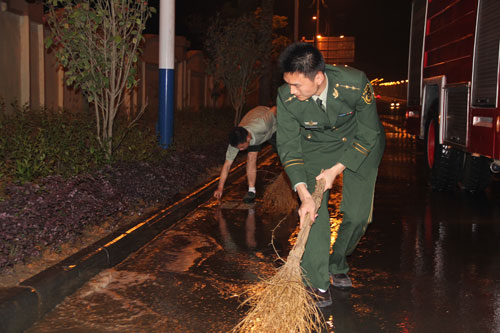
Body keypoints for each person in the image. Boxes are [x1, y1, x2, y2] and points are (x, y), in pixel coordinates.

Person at [276, 42, 385, 307]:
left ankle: (337, 262)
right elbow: (289, 145)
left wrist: (336, 170)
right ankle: (318, 282)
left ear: (319, 77)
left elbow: (369, 133)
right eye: (288, 84)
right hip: (317, 146)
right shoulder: (286, 97)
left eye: (297, 85)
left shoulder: (355, 83)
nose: (292, 91)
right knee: (314, 214)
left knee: (359, 217)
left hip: (360, 142)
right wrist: (303, 193)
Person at [214, 105, 277, 203]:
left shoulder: (262, 123)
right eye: (239, 148)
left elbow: (275, 108)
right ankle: (251, 191)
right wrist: (220, 188)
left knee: (285, 154)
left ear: (248, 138)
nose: (240, 150)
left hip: (274, 127)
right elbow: (227, 165)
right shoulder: (236, 141)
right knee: (251, 156)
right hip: (255, 132)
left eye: (242, 147)